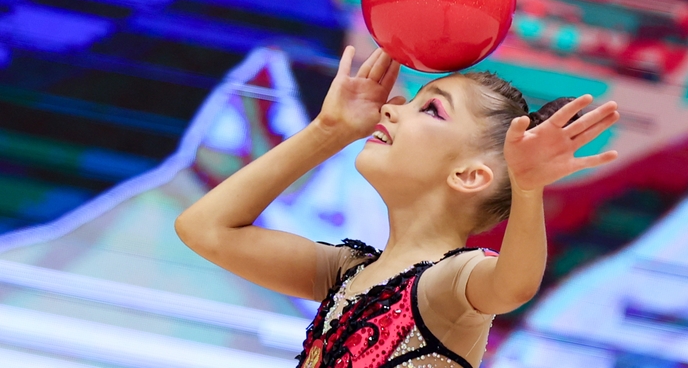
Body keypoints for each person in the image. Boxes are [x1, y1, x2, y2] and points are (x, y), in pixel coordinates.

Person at [175, 46, 619, 367]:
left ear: (469, 175)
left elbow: (513, 286)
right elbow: (205, 229)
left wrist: (527, 188)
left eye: (430, 109)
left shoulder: (447, 285)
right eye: (406, 101)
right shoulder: (344, 273)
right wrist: (329, 130)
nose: (391, 110)